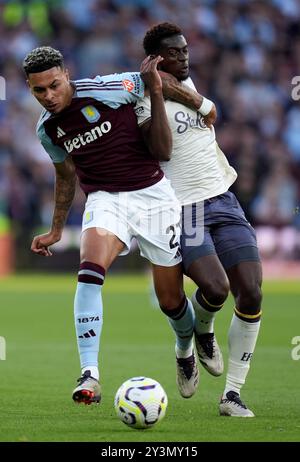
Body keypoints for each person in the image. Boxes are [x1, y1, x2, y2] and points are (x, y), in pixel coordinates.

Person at [23, 46, 205, 405]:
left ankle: (185, 347)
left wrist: (203, 104)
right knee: (89, 271)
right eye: (39, 91)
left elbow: (160, 83)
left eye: (54, 85)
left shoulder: (108, 87)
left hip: (153, 197)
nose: (48, 96)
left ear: (66, 74)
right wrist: (56, 229)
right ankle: (89, 374)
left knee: (171, 301)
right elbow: (65, 174)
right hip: (105, 200)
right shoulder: (47, 130)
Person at [136, 23, 263, 417]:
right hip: (184, 208)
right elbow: (161, 148)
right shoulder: (140, 98)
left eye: (186, 50)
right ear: (157, 60)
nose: (185, 57)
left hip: (224, 198)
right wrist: (160, 92)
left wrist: (182, 92)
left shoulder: (191, 84)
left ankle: (232, 395)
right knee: (215, 287)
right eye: (175, 53)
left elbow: (212, 113)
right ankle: (191, 342)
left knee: (253, 292)